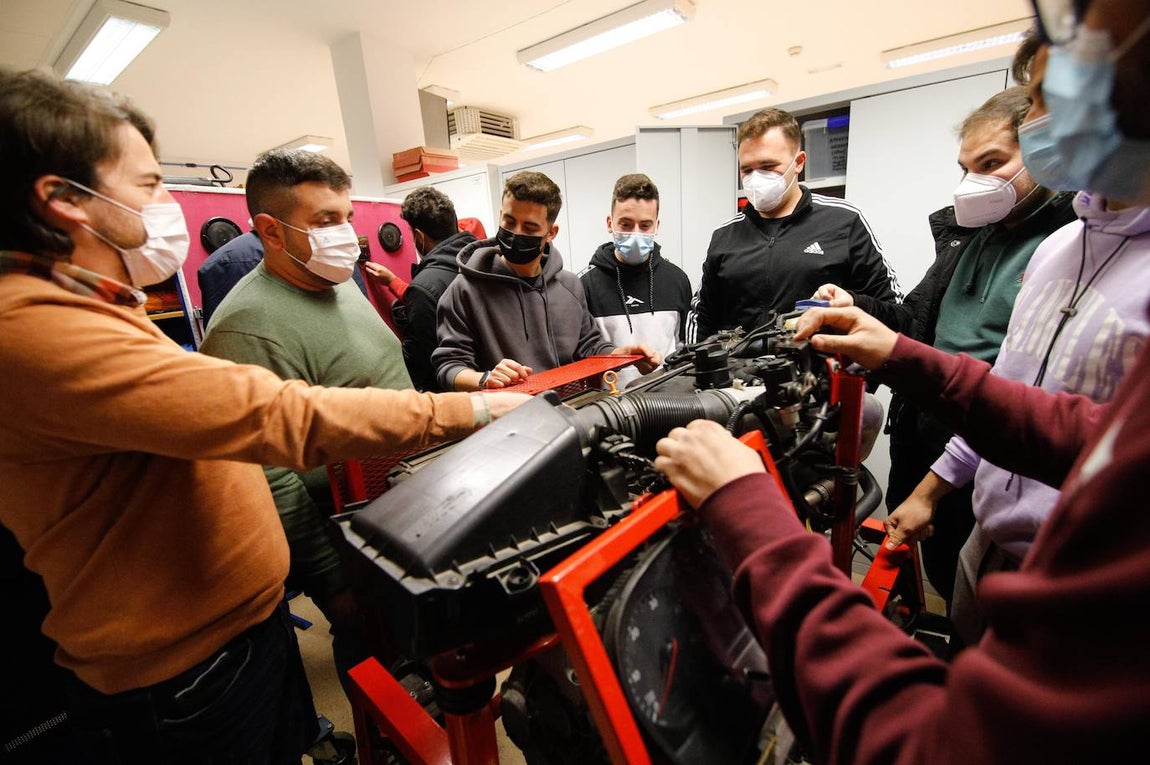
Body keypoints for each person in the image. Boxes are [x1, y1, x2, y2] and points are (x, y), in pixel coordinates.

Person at [654, 2, 1150, 759]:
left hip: (1040, 559)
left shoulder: (846, 225)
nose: (1045, 116)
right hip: (990, 533)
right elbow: (1059, 415)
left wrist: (750, 513)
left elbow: (935, 742)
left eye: (1062, 85)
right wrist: (900, 359)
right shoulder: (1065, 249)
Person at [0, 68, 527, 764]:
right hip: (182, 675)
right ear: (65, 201)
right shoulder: (30, 329)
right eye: (150, 184)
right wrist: (470, 409)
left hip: (242, 631)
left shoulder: (97, 307)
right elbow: (271, 417)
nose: (165, 205)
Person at [814, 87, 1077, 606]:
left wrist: (934, 491)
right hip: (925, 440)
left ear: (1045, 153)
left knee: (989, 596)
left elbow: (1021, 386)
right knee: (945, 578)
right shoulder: (966, 240)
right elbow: (913, 321)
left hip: (997, 462)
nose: (972, 182)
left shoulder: (1067, 247)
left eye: (992, 163)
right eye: (965, 167)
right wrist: (857, 306)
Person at [198, 148, 413, 690]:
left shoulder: (340, 283)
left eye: (345, 217)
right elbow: (266, 473)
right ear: (271, 231)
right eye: (324, 221)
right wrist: (332, 583)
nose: (345, 234)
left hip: (405, 508)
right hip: (349, 532)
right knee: (380, 669)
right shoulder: (246, 327)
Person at [432, 170, 660, 391]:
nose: (516, 233)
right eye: (509, 222)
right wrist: (485, 378)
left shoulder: (570, 286)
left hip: (570, 415)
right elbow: (449, 367)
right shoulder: (464, 291)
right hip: (509, 420)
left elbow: (590, 347)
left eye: (530, 227)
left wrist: (623, 355)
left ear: (551, 233)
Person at [691, 107, 902, 343]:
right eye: (747, 170)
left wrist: (852, 300)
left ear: (799, 162)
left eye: (768, 167)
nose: (756, 179)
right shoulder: (725, 236)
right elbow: (703, 317)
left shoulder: (844, 221)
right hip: (737, 377)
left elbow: (894, 311)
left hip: (816, 372)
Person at [580, 173, 692, 386]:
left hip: (670, 402)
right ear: (609, 223)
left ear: (657, 226)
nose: (635, 233)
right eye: (626, 224)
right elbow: (584, 352)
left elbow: (684, 348)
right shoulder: (585, 286)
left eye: (645, 226)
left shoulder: (677, 280)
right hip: (610, 407)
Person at [362, 186, 477, 391]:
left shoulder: (425, 287)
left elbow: (419, 361)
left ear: (419, 236)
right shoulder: (484, 260)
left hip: (452, 395)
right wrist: (393, 282)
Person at [198, 228, 372, 328]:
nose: (344, 229)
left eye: (347, 218)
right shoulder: (228, 263)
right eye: (326, 219)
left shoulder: (334, 251)